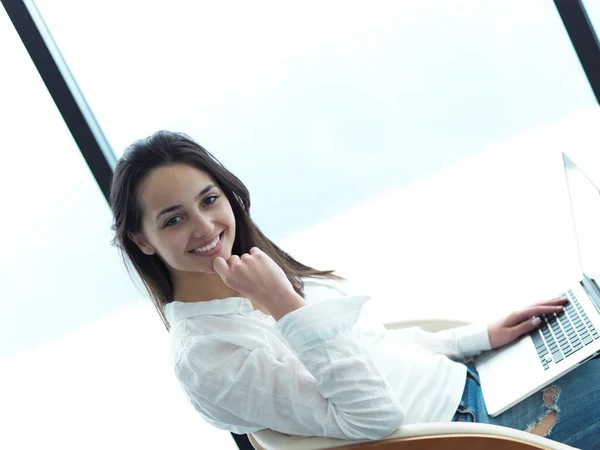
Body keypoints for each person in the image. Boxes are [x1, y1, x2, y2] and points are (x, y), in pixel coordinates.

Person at [109, 130, 600, 448]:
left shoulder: (248, 275)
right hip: (480, 429)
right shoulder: (208, 358)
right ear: (141, 239)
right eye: (173, 219)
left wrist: (478, 338)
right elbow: (374, 418)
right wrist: (285, 305)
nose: (205, 226)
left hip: (472, 382)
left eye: (209, 200)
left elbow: (366, 350)